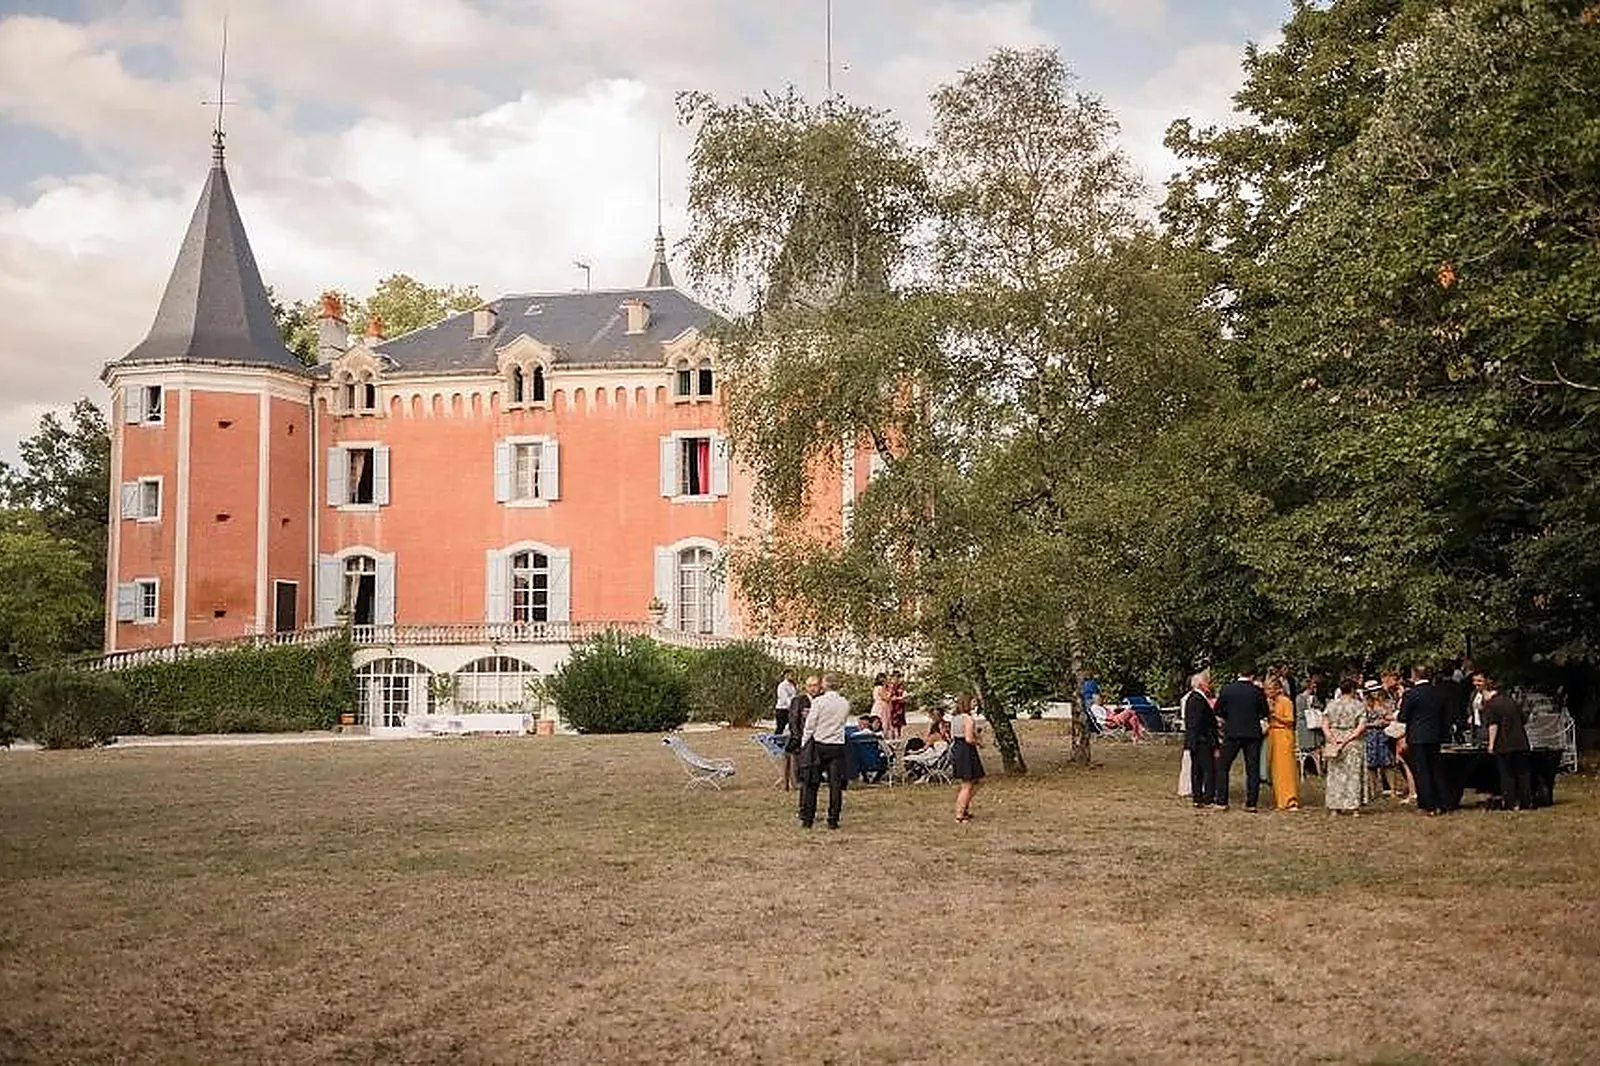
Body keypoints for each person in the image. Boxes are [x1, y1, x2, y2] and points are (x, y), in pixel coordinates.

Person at [799, 673, 852, 829]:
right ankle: (833, 819)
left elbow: (810, 724)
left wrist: (804, 743)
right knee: (835, 784)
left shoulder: (819, 702)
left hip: (819, 744)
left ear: (825, 685)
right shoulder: (844, 703)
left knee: (812, 783)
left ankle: (808, 818)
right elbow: (842, 721)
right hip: (836, 744)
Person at [1397, 663, 1450, 815]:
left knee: (1422, 771)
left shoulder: (1411, 694)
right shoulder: (1438, 692)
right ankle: (1442, 803)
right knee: (1436, 770)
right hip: (1435, 736)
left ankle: (1427, 805)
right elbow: (1444, 715)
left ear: (1415, 675)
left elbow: (1403, 717)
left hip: (1417, 736)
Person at [1213, 668, 1268, 810]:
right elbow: (1265, 711)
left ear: (1239, 674)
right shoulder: (1257, 691)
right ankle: (1251, 803)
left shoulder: (1227, 689)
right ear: (1252, 675)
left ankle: (1221, 801)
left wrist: (1230, 717)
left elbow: (1218, 710)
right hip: (1252, 734)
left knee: (1223, 765)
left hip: (1232, 732)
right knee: (1252, 769)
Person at [1477, 672, 1533, 811]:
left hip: (1504, 743)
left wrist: (1491, 744)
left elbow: (1493, 725)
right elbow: (1523, 719)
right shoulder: (1510, 701)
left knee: (1507, 775)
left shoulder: (1492, 704)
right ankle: (1526, 802)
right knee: (1523, 773)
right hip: (1521, 742)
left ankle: (1510, 802)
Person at [1321, 677, 1368, 814]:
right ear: (1353, 690)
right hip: (1353, 742)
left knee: (1335, 774)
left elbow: (1324, 724)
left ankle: (1335, 807)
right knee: (1353, 774)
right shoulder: (1358, 705)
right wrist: (1348, 739)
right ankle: (1354, 808)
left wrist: (1332, 739)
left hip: (1334, 740)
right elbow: (1361, 726)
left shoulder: (1331, 705)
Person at [1182, 670, 1217, 809]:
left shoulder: (1194, 698)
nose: (1210, 685)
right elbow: (1198, 722)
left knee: (1197, 769)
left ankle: (1198, 797)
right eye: (1208, 682)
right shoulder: (1197, 699)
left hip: (1196, 739)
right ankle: (1207, 797)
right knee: (1207, 769)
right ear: (1201, 684)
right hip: (1202, 740)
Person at [1265, 677, 1300, 810]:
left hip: (1284, 734)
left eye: (1269, 689)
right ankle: (1280, 800)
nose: (1267, 692)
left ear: (1277, 689)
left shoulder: (1286, 701)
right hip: (1273, 734)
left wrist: (1275, 716)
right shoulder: (1270, 702)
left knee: (1286, 768)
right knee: (1276, 769)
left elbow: (1290, 720)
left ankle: (1291, 799)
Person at [951, 692, 986, 822]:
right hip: (966, 750)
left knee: (977, 781)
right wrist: (979, 742)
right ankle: (959, 814)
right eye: (973, 701)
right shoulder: (968, 718)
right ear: (967, 702)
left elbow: (953, 735)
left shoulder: (955, 718)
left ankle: (964, 806)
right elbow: (969, 739)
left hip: (957, 748)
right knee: (967, 784)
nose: (975, 704)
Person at [783, 675, 818, 792]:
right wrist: (798, 737)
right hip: (800, 736)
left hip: (819, 737)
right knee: (794, 752)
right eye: (810, 686)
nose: (813, 688)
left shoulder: (822, 700)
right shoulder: (798, 700)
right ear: (806, 687)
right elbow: (793, 721)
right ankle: (796, 781)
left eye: (815, 685)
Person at [1295, 669, 1326, 776]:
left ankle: (1313, 768)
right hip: (1306, 726)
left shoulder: (1306, 698)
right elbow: (1300, 714)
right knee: (1312, 747)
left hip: (1308, 726)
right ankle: (1312, 769)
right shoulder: (1303, 698)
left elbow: (1321, 707)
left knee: (1314, 746)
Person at [774, 669, 798, 736]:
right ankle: (775, 742)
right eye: (790, 675)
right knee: (780, 728)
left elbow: (794, 697)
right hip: (782, 709)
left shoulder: (793, 685)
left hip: (790, 710)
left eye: (793, 675)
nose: (792, 677)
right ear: (785, 675)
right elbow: (784, 698)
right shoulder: (782, 686)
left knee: (793, 727)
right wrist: (792, 706)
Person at [888, 671, 908, 739]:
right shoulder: (891, 686)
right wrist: (899, 698)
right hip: (893, 706)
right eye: (896, 677)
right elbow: (890, 697)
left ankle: (899, 735)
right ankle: (893, 736)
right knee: (893, 721)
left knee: (899, 722)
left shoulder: (901, 686)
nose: (897, 679)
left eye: (899, 677)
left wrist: (904, 698)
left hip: (900, 705)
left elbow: (904, 693)